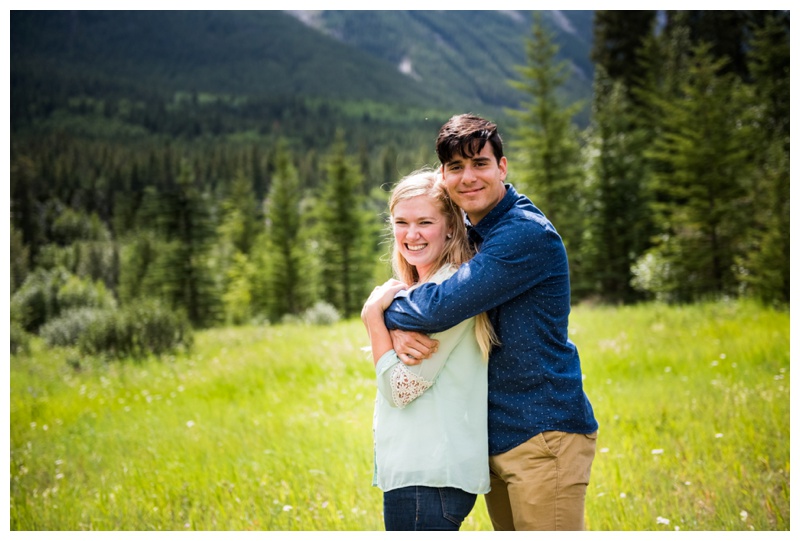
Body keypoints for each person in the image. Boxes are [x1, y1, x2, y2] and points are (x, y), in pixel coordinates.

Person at [383, 114, 599, 531]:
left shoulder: (524, 234)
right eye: (455, 167)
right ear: (443, 175)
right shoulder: (470, 229)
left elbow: (440, 307)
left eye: (480, 163)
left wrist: (380, 310)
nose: (468, 177)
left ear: (502, 167)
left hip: (543, 434)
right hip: (496, 436)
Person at [361, 169, 498, 531]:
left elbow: (399, 389)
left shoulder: (448, 292)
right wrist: (392, 323)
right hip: (422, 475)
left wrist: (373, 318)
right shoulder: (420, 294)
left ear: (451, 227)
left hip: (429, 476)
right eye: (401, 222)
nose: (412, 234)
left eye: (425, 222)